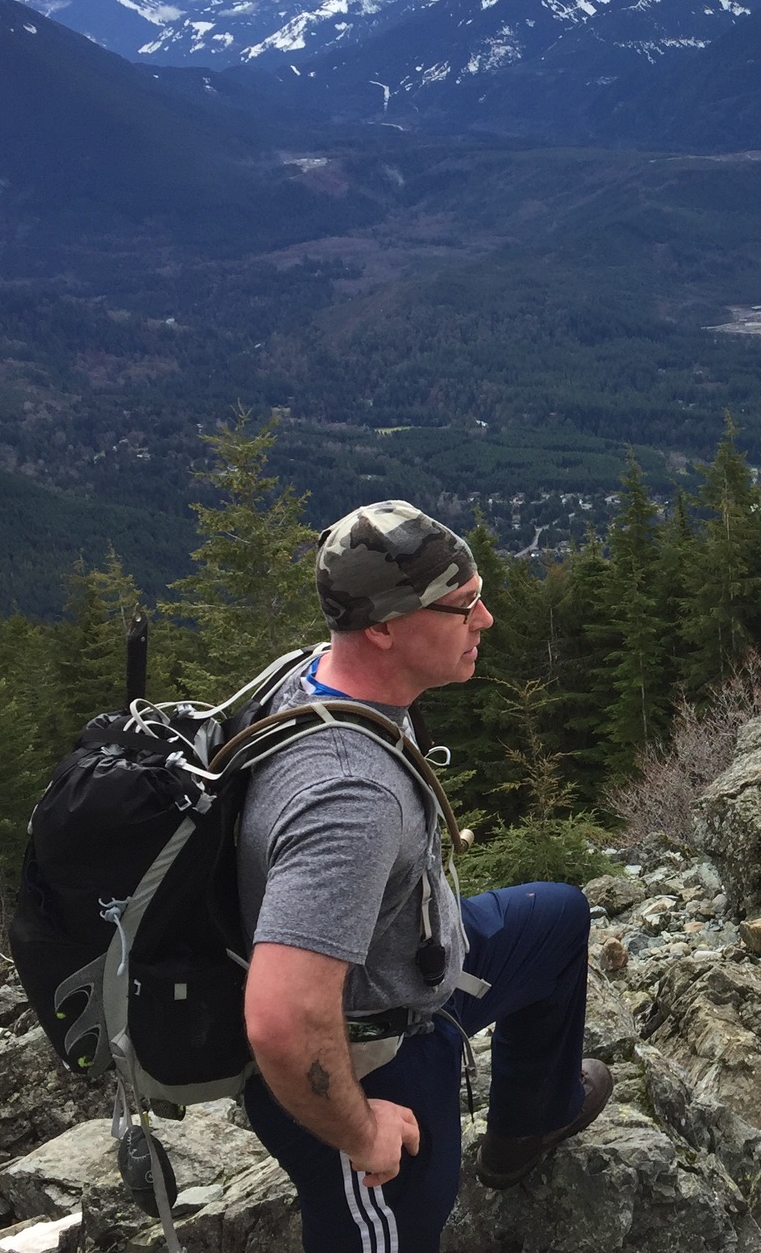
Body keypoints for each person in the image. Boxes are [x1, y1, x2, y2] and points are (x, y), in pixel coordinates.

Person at [237, 500, 612, 1253]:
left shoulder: (328, 676)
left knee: (558, 919)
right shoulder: (348, 798)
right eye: (464, 604)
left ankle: (528, 1123)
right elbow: (280, 1019)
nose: (488, 619)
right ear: (383, 626)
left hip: (418, 956)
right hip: (371, 1050)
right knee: (404, 1218)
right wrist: (363, 1129)